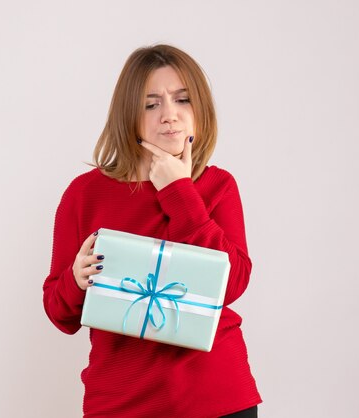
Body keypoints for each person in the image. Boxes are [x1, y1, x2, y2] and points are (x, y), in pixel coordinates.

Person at [42, 44, 262, 418]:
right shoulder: (84, 194)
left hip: (217, 399)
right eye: (151, 104)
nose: (170, 116)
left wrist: (180, 192)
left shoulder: (217, 186)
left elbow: (234, 283)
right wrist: (75, 280)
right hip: (120, 404)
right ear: (129, 114)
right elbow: (60, 314)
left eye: (182, 100)